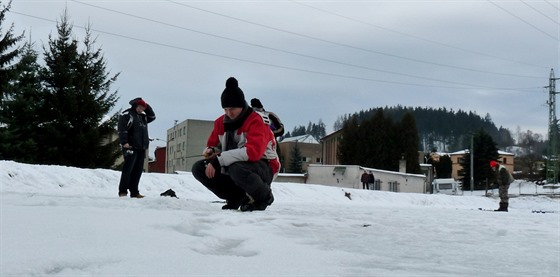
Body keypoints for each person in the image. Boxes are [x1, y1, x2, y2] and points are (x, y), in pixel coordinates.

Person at [192, 77, 280, 212]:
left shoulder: (256, 121)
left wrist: (219, 160)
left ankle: (264, 197)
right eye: (225, 109)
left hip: (264, 165)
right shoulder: (220, 122)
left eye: (232, 108)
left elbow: (253, 153)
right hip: (234, 163)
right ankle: (236, 197)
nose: (229, 113)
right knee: (199, 168)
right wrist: (211, 151)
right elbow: (213, 145)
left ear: (241, 105)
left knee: (236, 168)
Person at [117, 97, 156, 198]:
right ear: (135, 106)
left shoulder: (143, 117)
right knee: (128, 170)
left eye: (143, 108)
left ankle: (134, 192)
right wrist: (124, 142)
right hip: (130, 146)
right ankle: (123, 191)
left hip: (141, 147)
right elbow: (122, 129)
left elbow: (152, 116)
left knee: (138, 171)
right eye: (139, 107)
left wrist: (146, 106)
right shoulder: (127, 115)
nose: (141, 110)